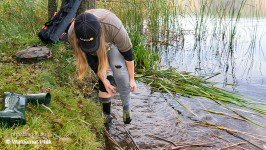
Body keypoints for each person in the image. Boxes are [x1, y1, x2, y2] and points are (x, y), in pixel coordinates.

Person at [68, 9, 137, 124]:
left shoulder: (114, 27)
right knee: (105, 79)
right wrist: (104, 80)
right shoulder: (72, 33)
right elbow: (91, 61)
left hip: (112, 43)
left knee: (118, 68)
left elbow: (128, 55)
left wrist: (132, 79)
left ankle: (126, 106)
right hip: (96, 46)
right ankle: (106, 115)